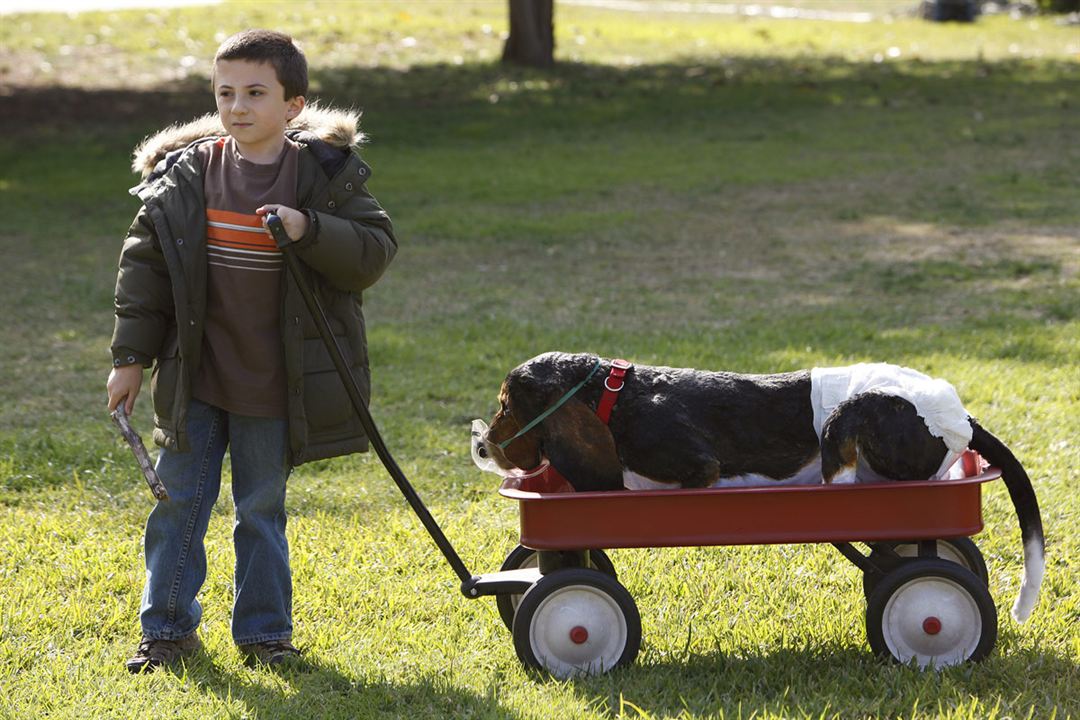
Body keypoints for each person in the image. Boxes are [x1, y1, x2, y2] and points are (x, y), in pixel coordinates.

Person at [107, 29, 397, 673]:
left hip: (274, 386)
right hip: (196, 381)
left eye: (255, 93)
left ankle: (265, 634)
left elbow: (374, 251)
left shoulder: (321, 177)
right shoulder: (187, 176)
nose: (238, 107)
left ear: (293, 105)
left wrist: (309, 228)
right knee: (178, 504)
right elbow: (143, 273)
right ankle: (168, 629)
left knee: (260, 510)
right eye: (225, 93)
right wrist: (130, 359)